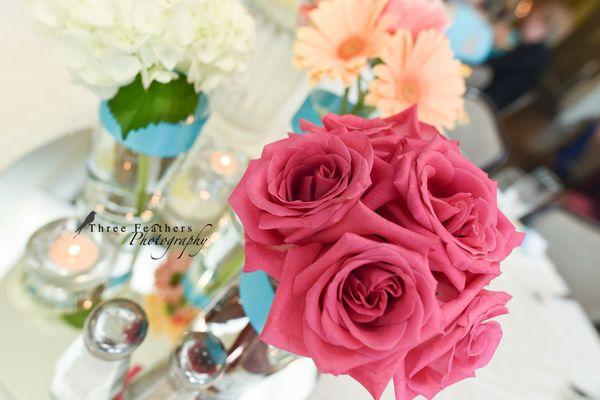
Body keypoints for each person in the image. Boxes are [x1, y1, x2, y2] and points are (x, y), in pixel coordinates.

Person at [482, 2, 574, 109]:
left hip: (486, 100)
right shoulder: (537, 51)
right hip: (490, 95)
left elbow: (491, 65)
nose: (530, 19)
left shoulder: (535, 56)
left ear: (544, 29)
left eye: (536, 18)